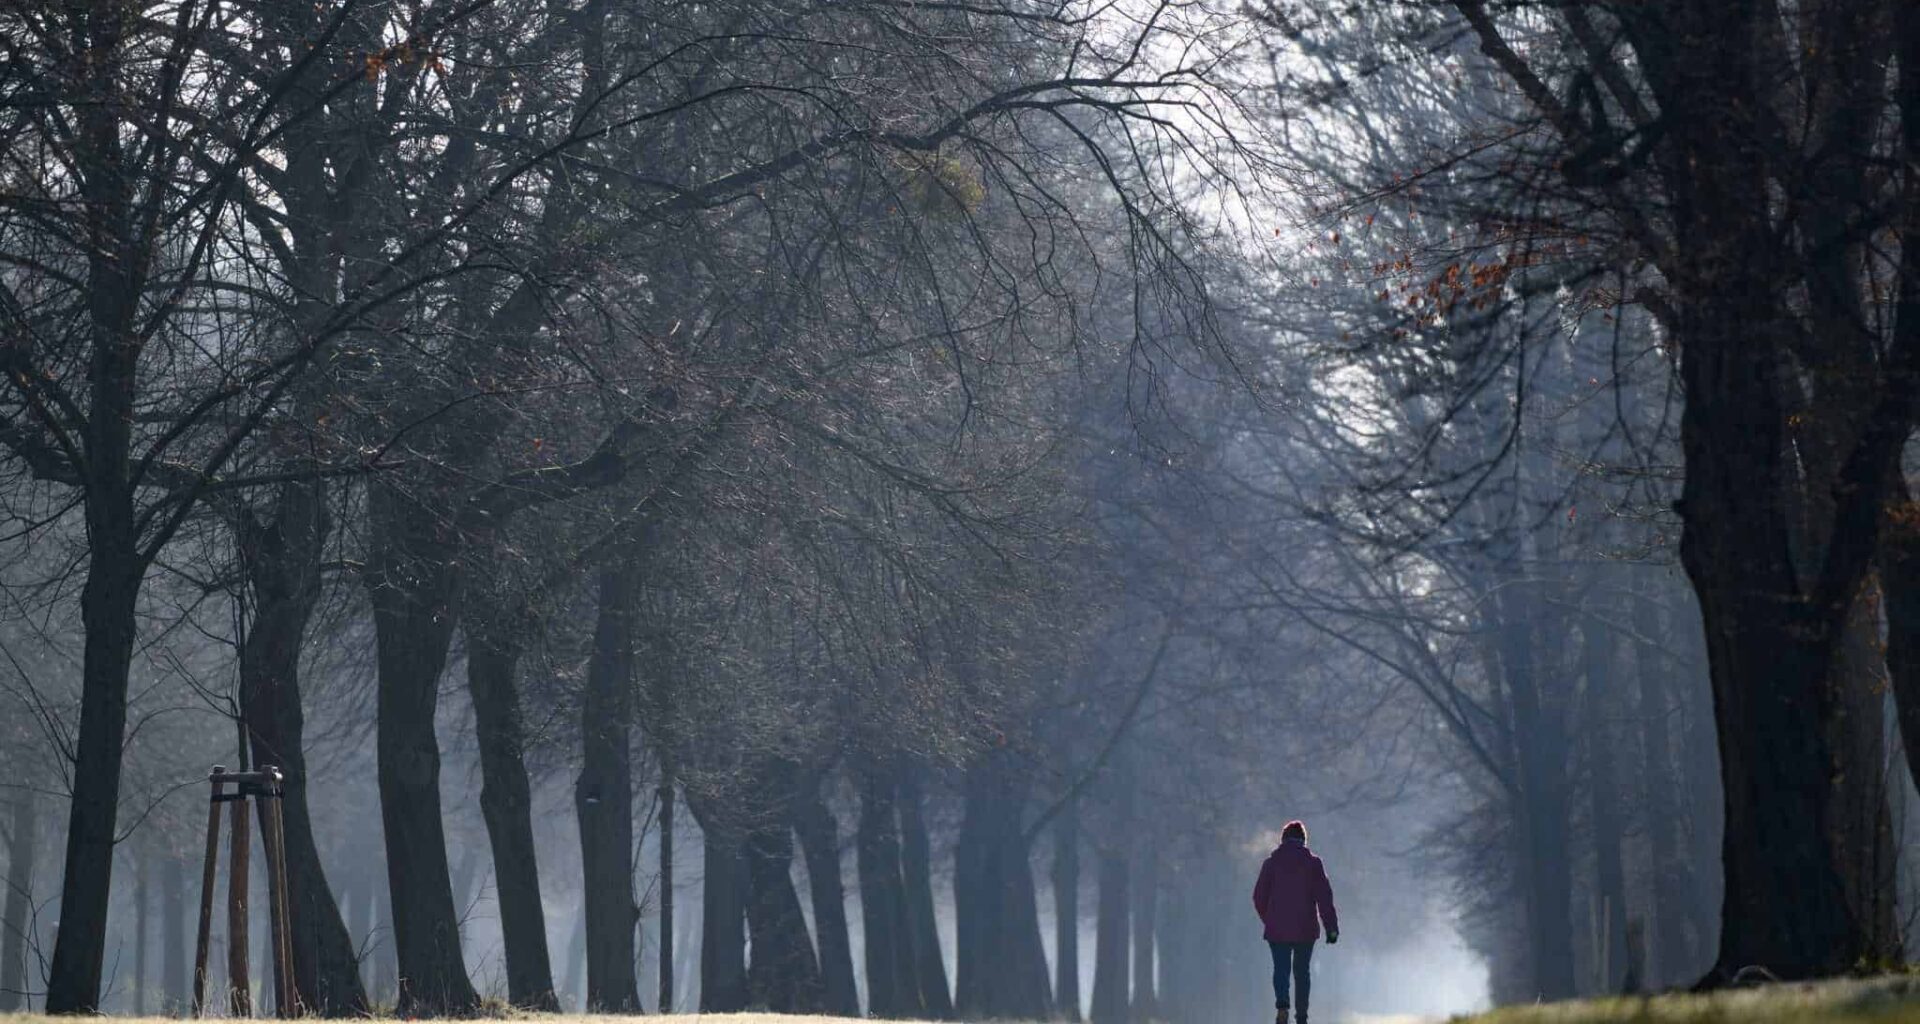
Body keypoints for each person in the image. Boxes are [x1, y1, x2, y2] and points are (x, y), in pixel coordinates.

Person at [1252, 820, 1339, 1024]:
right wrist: (1331, 929)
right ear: (1303, 840)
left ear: (1283, 840)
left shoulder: (1271, 863)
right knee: (1302, 972)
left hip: (1277, 928)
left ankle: (1282, 1007)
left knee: (1280, 969)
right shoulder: (1313, 864)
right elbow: (1324, 897)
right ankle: (1301, 1017)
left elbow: (1258, 896)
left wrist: (1269, 919)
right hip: (1305, 928)